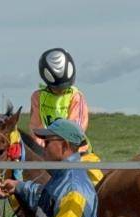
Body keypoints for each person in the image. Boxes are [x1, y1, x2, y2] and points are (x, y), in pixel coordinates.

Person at [30, 48, 102, 185]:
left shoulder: (76, 96)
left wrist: (62, 152)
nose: (60, 90)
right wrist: (45, 150)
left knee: (96, 181)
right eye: (56, 87)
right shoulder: (38, 97)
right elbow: (36, 126)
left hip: (77, 152)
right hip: (48, 151)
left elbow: (76, 130)